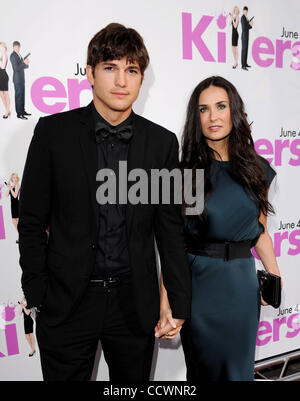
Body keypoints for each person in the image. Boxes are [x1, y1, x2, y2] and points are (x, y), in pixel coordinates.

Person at [18, 23, 191, 381]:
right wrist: (38, 294)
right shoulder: (53, 133)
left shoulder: (162, 143)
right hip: (67, 303)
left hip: (134, 304)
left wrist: (177, 297)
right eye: (110, 67)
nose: (121, 81)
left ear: (142, 79)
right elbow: (31, 221)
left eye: (131, 70)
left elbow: (170, 229)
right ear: (90, 73)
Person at [159, 76, 282, 381]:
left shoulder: (258, 170)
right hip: (199, 289)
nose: (213, 117)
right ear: (195, 117)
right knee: (204, 373)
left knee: (239, 374)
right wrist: (166, 301)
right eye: (204, 109)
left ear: (234, 111)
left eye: (221, 106)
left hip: (242, 287)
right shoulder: (184, 174)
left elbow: (260, 231)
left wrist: (275, 277)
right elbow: (173, 245)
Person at [10, 41, 31, 119]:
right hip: (17, 79)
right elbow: (16, 68)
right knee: (18, 96)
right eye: (16, 47)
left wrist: (26, 64)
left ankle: (22, 111)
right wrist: (23, 63)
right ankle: (19, 114)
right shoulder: (12, 56)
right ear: (14, 47)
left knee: (22, 95)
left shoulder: (19, 55)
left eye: (19, 47)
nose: (18, 48)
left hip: (22, 79)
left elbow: (22, 66)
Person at [6, 173, 20, 243]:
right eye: (13, 177)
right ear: (12, 178)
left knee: (17, 220)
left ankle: (21, 236)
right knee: (14, 221)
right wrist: (8, 187)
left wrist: (11, 188)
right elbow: (6, 195)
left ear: (17, 178)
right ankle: (21, 235)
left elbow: (15, 196)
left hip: (16, 204)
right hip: (12, 205)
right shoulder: (12, 186)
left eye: (15, 177)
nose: (14, 179)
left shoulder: (17, 185)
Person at [0, 42, 11, 118]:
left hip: (3, 75)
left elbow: (3, 66)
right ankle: (7, 110)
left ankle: (7, 111)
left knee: (6, 94)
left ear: (4, 48)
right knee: (1, 94)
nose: (1, 48)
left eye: (2, 47)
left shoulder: (4, 55)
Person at [241, 6, 253, 70]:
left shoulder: (246, 18)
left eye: (246, 11)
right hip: (244, 37)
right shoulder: (243, 18)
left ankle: (245, 63)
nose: (246, 12)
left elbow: (247, 26)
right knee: (244, 51)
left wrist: (250, 24)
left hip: (246, 36)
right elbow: (244, 28)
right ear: (243, 11)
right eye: (245, 11)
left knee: (246, 50)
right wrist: (250, 25)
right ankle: (243, 65)